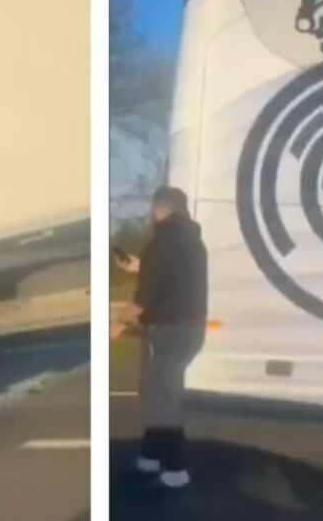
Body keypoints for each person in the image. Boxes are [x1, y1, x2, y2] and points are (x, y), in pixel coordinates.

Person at [114, 186, 208, 493]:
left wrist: (116, 324)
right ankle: (150, 460)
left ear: (159, 209)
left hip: (167, 332)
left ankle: (176, 469)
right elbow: (173, 273)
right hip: (191, 330)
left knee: (162, 397)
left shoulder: (161, 244)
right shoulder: (193, 243)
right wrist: (138, 266)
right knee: (158, 392)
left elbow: (143, 299)